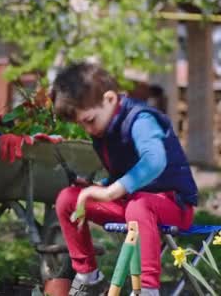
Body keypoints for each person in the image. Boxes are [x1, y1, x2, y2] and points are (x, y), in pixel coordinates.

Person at [50, 62, 198, 296]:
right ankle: (88, 275)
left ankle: (147, 290)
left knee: (139, 204)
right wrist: (102, 186)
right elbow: (123, 173)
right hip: (132, 206)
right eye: (81, 124)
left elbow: (154, 161)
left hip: (173, 206)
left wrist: (110, 193)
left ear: (109, 99)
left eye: (89, 120)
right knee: (68, 198)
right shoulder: (104, 129)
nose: (87, 129)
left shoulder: (141, 119)